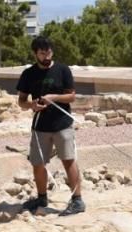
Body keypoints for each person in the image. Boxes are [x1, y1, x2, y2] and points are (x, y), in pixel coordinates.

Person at [16, 36, 85, 217]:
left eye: (48, 52)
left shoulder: (63, 70)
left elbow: (71, 96)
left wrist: (54, 97)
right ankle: (41, 197)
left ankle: (77, 200)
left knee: (68, 160)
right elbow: (21, 101)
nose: (46, 56)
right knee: (38, 163)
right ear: (35, 54)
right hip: (40, 127)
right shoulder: (28, 74)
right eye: (42, 53)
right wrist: (31, 105)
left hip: (62, 123)